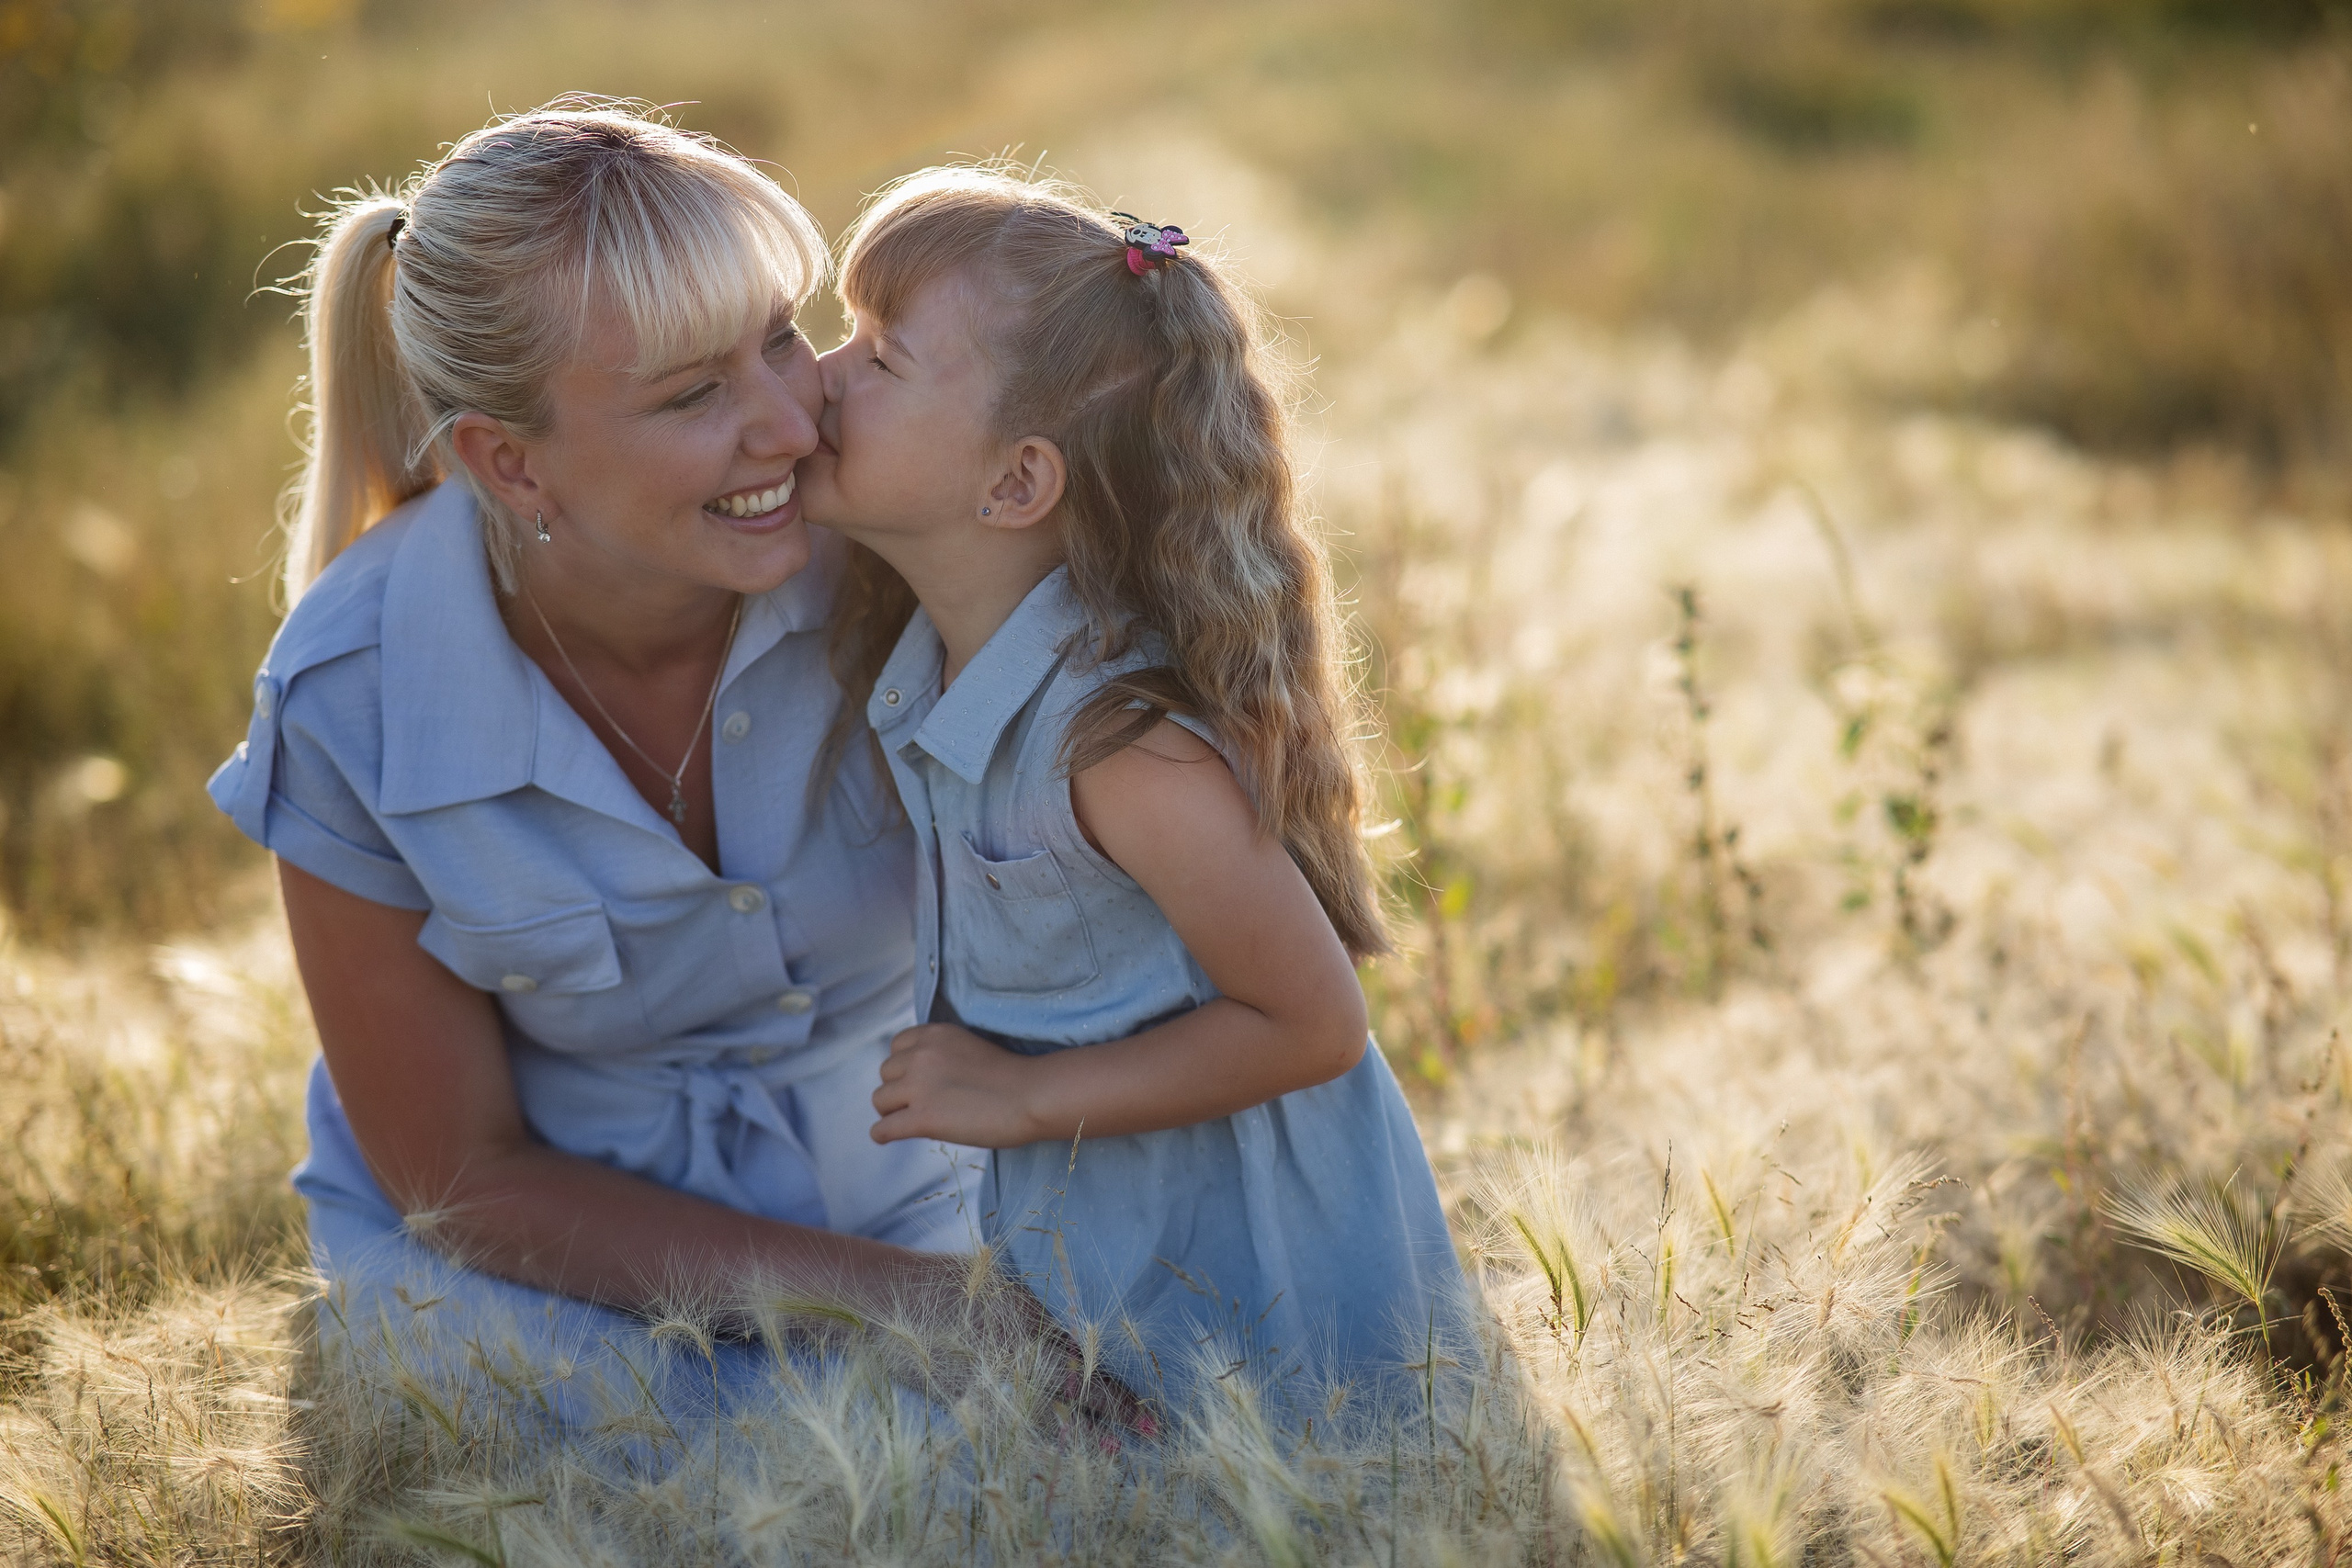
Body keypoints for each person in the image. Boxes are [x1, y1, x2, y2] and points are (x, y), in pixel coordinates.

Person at [207, 103, 1059, 1434]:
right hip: (553, 1257)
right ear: (509, 462)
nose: (789, 426)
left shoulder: (900, 553)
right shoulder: (348, 695)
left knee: (1061, 1438)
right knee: (602, 1457)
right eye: (692, 394)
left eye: (779, 337)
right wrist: (904, 1306)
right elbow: (461, 1174)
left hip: (923, 1168)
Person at [794, 166, 1466, 1419]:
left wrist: (1022, 1097)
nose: (817, 376)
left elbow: (1313, 1023)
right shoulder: (936, 661)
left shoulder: (1121, 748)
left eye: (880, 358)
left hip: (1262, 1297)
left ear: (1014, 486)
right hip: (1109, 1249)